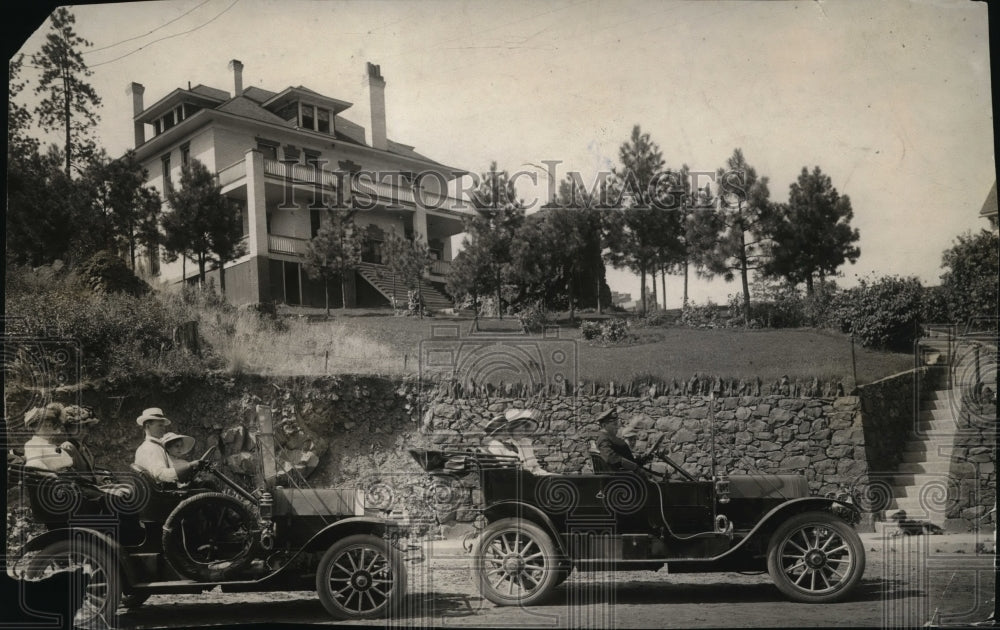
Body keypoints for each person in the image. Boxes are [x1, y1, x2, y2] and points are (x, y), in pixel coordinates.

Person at [134, 408, 202, 484]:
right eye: (160, 425)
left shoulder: (154, 446)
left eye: (163, 426)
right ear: (147, 426)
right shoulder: (150, 448)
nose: (163, 428)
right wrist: (189, 466)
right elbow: (161, 474)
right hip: (161, 492)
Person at [23, 403, 74, 472]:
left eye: (50, 425)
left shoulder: (51, 445)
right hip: (57, 480)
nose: (48, 428)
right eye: (43, 426)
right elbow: (34, 463)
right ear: (34, 428)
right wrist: (53, 477)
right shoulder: (33, 444)